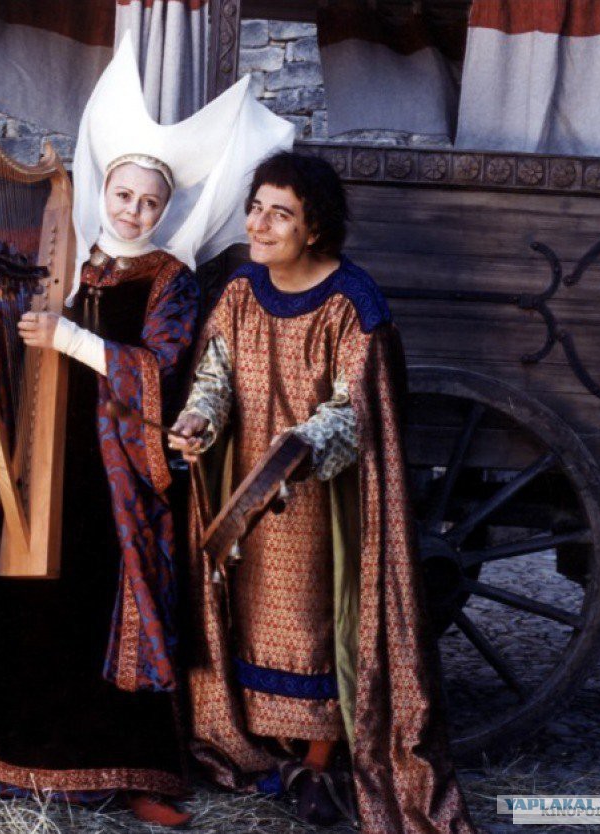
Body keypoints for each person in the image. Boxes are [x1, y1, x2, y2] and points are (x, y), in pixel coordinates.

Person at [0, 38, 292, 827]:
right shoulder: (66, 260)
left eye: (149, 203)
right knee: (24, 594)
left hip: (113, 477)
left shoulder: (170, 280)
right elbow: (20, 330)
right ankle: (13, 756)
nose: (132, 212)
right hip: (43, 459)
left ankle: (126, 766)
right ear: (104, 189)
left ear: (165, 211)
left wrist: (70, 339)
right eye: (123, 195)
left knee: (97, 599)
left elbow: (162, 372)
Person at [170, 152, 476, 832]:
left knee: (316, 623)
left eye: (280, 214)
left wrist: (300, 448)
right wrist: (198, 419)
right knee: (247, 614)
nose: (259, 224)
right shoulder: (240, 290)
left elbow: (356, 409)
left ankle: (319, 758)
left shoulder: (352, 303)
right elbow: (215, 377)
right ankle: (264, 748)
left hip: (322, 496)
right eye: (256, 208)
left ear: (314, 229)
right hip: (246, 490)